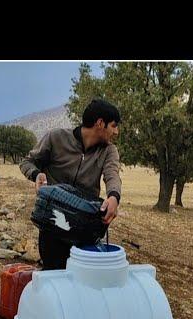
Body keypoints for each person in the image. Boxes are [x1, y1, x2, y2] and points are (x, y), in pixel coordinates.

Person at [20, 99, 122, 270]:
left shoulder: (109, 151)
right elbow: (27, 162)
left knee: (82, 278)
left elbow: (113, 175)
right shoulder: (56, 138)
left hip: (85, 229)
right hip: (53, 224)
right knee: (53, 275)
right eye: (113, 125)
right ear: (100, 123)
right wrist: (36, 175)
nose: (116, 132)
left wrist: (114, 196)